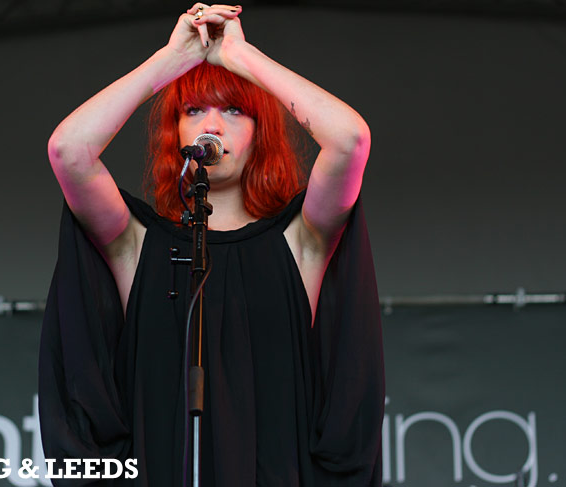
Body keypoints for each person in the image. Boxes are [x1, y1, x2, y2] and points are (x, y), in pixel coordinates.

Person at [38, 3, 384, 486]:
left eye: (234, 111)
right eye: (194, 109)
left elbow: (350, 140)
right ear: (175, 132)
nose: (211, 126)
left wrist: (241, 58)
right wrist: (171, 60)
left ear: (260, 134)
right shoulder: (136, 244)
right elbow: (68, 151)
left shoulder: (300, 239)